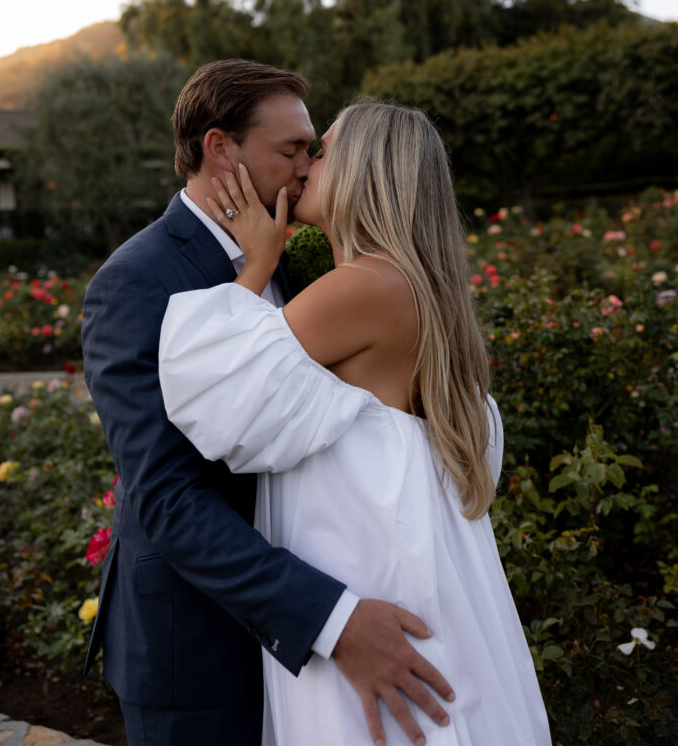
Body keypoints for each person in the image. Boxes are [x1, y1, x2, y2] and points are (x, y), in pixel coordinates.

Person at [82, 61, 453, 746]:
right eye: (292, 150)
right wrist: (329, 620)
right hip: (197, 646)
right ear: (221, 149)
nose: (309, 166)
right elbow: (167, 496)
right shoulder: (135, 282)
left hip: (317, 635)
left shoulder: (297, 260)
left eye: (312, 149)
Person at [159, 101, 552, 745]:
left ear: (367, 172)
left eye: (325, 151)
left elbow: (216, 395)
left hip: (369, 591)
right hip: (415, 582)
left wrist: (255, 265)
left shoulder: (362, 288)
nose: (307, 166)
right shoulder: (413, 287)